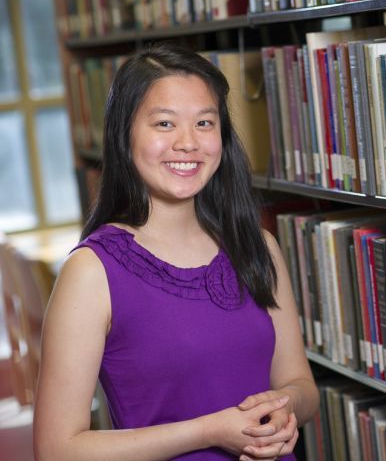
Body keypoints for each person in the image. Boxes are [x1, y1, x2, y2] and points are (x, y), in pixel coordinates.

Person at [33, 43, 319, 461]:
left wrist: (286, 406)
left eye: (205, 122)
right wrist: (209, 431)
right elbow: (57, 449)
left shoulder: (258, 246)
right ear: (124, 133)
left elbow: (300, 384)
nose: (188, 143)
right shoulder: (92, 271)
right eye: (165, 123)